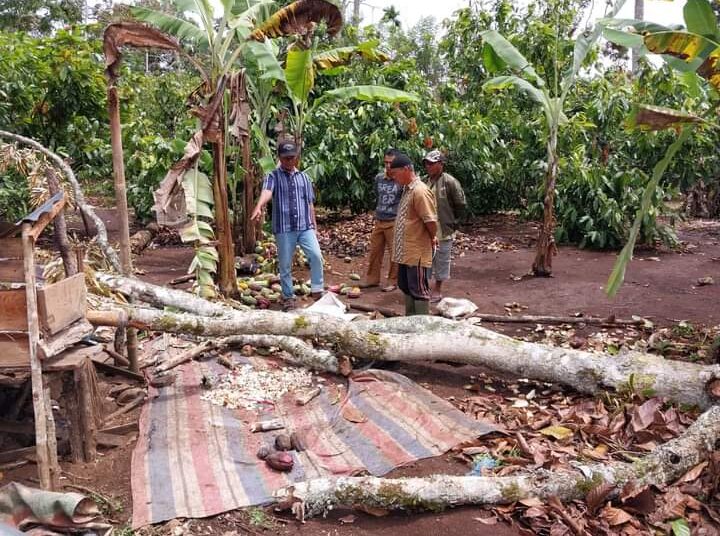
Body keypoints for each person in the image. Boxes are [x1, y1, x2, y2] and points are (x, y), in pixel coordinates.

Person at [251, 140, 324, 311]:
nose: (289, 161)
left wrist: (314, 225)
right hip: (284, 228)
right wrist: (259, 206)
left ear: (296, 158)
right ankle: (288, 296)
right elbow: (267, 192)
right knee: (284, 265)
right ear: (280, 158)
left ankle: (317, 289)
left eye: (292, 158)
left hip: (305, 226)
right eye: (286, 158)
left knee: (316, 256)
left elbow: (309, 203)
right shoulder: (273, 176)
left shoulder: (304, 178)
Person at [387, 153, 438, 316]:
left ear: (406, 169)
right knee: (406, 285)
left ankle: (422, 324)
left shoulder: (420, 191)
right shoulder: (407, 190)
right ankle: (411, 319)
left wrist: (432, 237)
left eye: (395, 174)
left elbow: (430, 220)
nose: (394, 178)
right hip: (405, 251)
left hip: (416, 250)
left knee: (418, 289)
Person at [422, 150, 466, 303]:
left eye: (432, 163)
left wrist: (454, 222)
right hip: (426, 228)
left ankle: (437, 288)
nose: (428, 166)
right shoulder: (423, 181)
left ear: (441, 164)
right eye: (427, 163)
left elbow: (460, 204)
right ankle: (424, 286)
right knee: (425, 258)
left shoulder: (449, 182)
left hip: (443, 227)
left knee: (442, 259)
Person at [360, 148, 402, 292]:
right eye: (386, 163)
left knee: (394, 254)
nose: (388, 166)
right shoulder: (379, 178)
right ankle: (372, 279)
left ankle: (392, 281)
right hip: (380, 220)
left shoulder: (401, 180)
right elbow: (377, 195)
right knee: (375, 251)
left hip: (394, 221)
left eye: (391, 163)